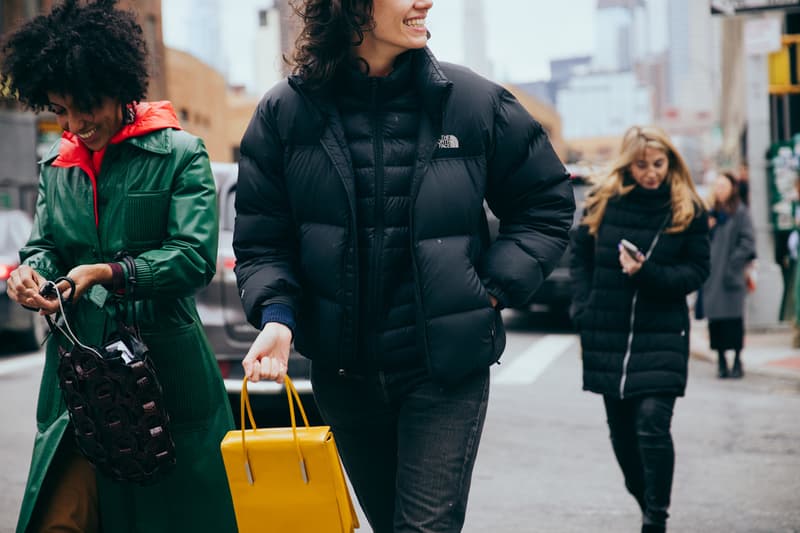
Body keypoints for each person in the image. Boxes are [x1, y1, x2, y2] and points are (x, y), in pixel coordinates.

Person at [233, 0, 575, 531]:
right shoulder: (284, 113)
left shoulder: (473, 103)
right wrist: (277, 316)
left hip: (443, 372)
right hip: (344, 377)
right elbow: (263, 240)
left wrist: (490, 289)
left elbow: (546, 202)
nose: (425, 2)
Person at [1, 1, 237, 531]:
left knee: (174, 518)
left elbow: (193, 257)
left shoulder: (181, 153)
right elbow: (43, 246)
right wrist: (30, 273)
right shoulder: (56, 167)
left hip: (166, 371)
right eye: (60, 110)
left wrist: (106, 273)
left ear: (120, 86)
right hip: (79, 378)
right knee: (64, 518)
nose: (75, 124)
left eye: (86, 106)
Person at [569, 125, 710, 533]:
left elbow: (697, 270)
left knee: (651, 424)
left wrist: (648, 274)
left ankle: (656, 519)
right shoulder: (604, 202)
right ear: (629, 164)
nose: (651, 172)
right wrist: (583, 304)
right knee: (622, 437)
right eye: (643, 164)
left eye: (659, 163)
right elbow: (580, 254)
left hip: (662, 333)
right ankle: (646, 501)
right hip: (606, 332)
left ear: (671, 162)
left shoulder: (687, 209)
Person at [703, 172, 756, 378]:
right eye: (717, 186)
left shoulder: (740, 212)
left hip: (731, 276)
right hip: (712, 277)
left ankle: (736, 361)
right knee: (715, 322)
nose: (720, 190)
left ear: (732, 188)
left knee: (734, 321)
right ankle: (721, 361)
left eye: (723, 186)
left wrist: (734, 263)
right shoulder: (711, 214)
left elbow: (748, 241)